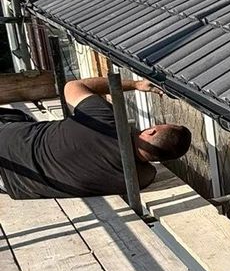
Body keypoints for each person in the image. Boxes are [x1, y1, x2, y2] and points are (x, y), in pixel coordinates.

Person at [0, 74, 192, 199]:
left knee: (17, 116)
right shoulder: (139, 177)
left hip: (7, 140)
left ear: (151, 131)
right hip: (13, 183)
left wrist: (136, 84)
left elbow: (73, 86)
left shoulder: (104, 119)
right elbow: (148, 172)